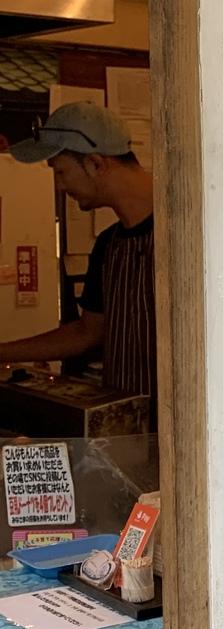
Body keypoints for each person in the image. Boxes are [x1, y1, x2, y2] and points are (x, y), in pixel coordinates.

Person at [0, 103, 156, 409]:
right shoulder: (109, 245)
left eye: (60, 171)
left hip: (187, 428)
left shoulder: (189, 238)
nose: (59, 186)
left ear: (96, 163)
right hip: (122, 425)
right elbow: (86, 332)